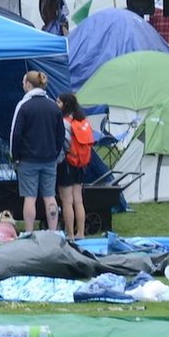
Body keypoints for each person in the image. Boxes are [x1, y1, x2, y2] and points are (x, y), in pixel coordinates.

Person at [8, 71, 67, 234]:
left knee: (30, 197)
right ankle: (53, 233)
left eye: (23, 82)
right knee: (50, 196)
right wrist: (55, 153)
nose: (22, 85)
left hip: (28, 160)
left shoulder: (24, 105)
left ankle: (29, 233)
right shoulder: (53, 107)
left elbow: (15, 133)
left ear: (28, 85)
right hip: (49, 159)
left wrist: (15, 156)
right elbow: (61, 134)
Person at [57, 93, 93, 240]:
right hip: (81, 163)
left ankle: (70, 234)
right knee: (78, 200)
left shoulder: (64, 122)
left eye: (58, 102)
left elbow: (63, 143)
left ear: (65, 104)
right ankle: (81, 233)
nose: (56, 104)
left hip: (67, 163)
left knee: (66, 201)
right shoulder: (83, 121)